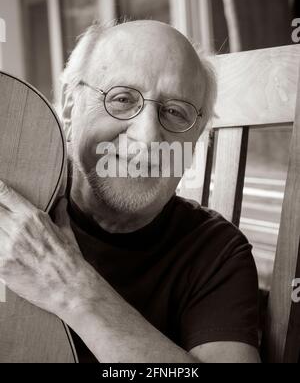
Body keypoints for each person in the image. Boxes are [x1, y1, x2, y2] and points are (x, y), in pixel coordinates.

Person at [0, 20, 260, 363]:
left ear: (195, 140)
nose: (148, 136)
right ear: (69, 106)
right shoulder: (14, 203)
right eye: (121, 99)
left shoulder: (217, 252)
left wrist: (71, 288)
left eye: (174, 112)